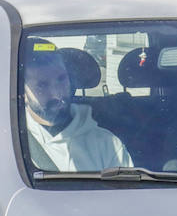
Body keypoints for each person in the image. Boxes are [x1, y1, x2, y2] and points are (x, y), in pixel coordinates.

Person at [21, 41, 131, 171]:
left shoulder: (107, 144)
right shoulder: (9, 142)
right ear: (22, 93)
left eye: (62, 79)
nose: (57, 94)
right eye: (42, 85)